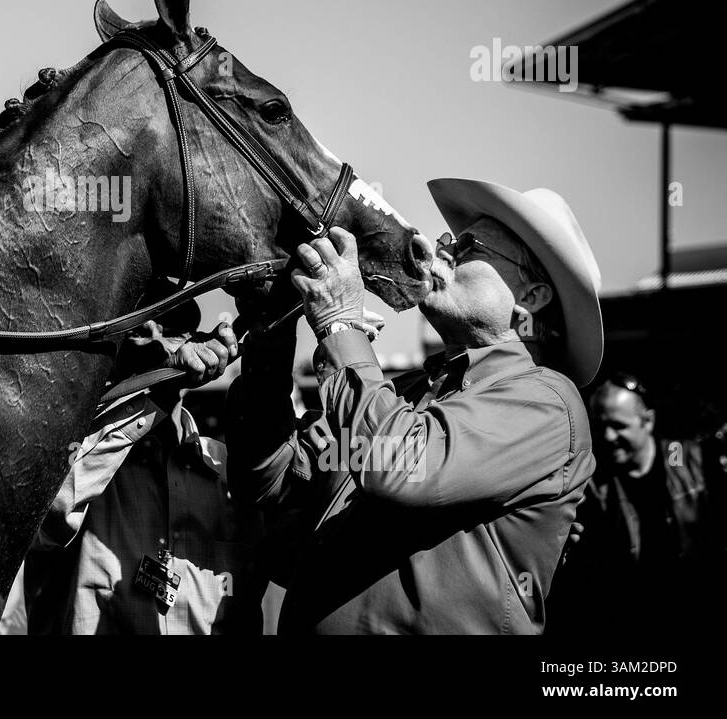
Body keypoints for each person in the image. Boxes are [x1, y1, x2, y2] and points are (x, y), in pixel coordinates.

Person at [229, 179, 602, 634]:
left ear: (531, 297)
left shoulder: (547, 401)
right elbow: (271, 480)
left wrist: (340, 323)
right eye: (450, 240)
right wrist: (271, 334)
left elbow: (402, 465)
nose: (439, 249)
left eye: (468, 246)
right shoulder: (404, 392)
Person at [2, 298, 270, 634]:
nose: (159, 338)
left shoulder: (230, 473)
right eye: (142, 331)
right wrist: (157, 393)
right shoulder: (80, 457)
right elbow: (50, 507)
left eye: (170, 327)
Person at [550, 374, 725, 634]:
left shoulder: (698, 463)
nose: (608, 436)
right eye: (600, 426)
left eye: (619, 425)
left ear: (648, 421)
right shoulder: (588, 484)